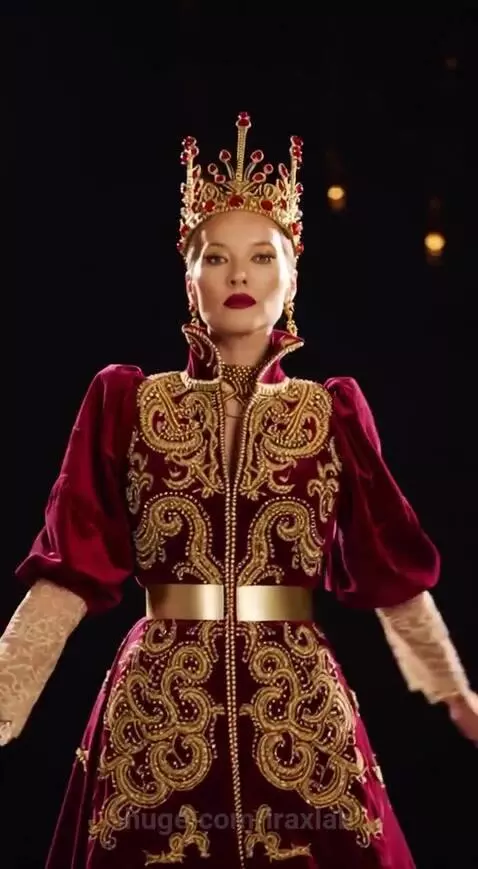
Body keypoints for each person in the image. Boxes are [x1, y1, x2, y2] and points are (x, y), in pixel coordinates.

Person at [1, 111, 477, 869]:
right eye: (216, 257)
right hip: (158, 709)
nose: (240, 276)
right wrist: (4, 699)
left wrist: (456, 693)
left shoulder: (329, 411)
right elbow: (69, 566)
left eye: (261, 256)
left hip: (298, 708)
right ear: (188, 276)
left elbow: (390, 569)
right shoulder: (127, 402)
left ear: (292, 273)